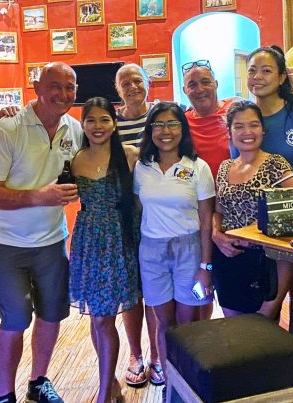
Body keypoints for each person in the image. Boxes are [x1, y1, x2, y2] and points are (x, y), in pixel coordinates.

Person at [0, 62, 82, 403]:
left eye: (70, 87)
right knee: (15, 320)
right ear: (37, 88)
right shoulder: (8, 129)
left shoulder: (74, 130)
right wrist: (40, 196)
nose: (63, 94)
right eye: (55, 86)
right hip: (6, 242)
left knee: (52, 314)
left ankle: (38, 382)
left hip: (52, 240)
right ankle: (4, 394)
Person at [135, 102, 215, 401]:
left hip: (189, 252)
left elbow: (206, 220)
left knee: (188, 323)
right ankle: (171, 388)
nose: (165, 131)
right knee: (164, 324)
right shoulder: (142, 167)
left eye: (172, 124)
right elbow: (139, 209)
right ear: (150, 130)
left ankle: (189, 387)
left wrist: (206, 267)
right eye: (158, 125)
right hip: (152, 253)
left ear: (183, 128)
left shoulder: (198, 167)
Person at [69, 97, 140, 403]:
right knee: (97, 317)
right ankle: (108, 383)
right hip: (89, 241)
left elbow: (142, 201)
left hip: (120, 240)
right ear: (83, 124)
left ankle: (105, 391)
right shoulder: (75, 160)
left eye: (104, 119)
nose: (97, 126)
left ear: (114, 123)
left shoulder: (130, 155)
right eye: (91, 120)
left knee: (103, 318)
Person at [212, 100, 293, 317]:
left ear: (263, 129)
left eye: (253, 125)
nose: (247, 132)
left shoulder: (275, 163)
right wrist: (216, 234)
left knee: (262, 329)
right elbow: (218, 211)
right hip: (227, 257)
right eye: (239, 126)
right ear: (229, 132)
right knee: (232, 329)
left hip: (265, 260)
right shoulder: (225, 167)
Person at [113, 63, 162, 388]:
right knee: (130, 292)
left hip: (159, 216)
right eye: (124, 82)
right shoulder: (111, 124)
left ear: (147, 83)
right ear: (118, 90)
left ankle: (157, 356)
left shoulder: (161, 115)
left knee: (155, 291)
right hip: (124, 219)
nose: (132, 86)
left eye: (137, 80)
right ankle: (135, 356)